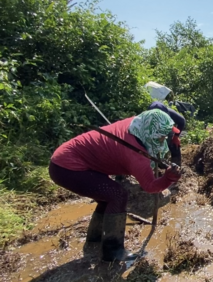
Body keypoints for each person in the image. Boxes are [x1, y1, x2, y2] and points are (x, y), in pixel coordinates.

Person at [49, 109, 181, 262]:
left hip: (66, 158)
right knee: (117, 195)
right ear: (150, 133)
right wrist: (168, 178)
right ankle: (113, 251)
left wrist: (173, 137)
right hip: (67, 168)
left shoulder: (137, 125)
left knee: (107, 196)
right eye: (161, 137)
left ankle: (95, 239)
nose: (163, 140)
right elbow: (150, 186)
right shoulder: (135, 155)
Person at [148, 101, 185, 166]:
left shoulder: (170, 113)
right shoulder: (147, 118)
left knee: (173, 144)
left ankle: (176, 167)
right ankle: (155, 164)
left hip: (168, 128)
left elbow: (182, 121)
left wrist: (176, 137)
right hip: (150, 131)